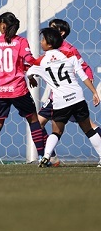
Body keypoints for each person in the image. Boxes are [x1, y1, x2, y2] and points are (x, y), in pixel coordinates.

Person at [0, 12, 47, 167]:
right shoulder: (21, 42)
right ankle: (42, 156)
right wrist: (39, 62)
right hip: (17, 89)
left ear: (2, 25)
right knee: (33, 120)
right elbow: (28, 60)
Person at [25, 27, 101, 167]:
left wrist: (32, 79)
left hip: (60, 101)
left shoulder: (41, 62)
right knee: (88, 129)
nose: (41, 42)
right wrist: (94, 92)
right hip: (77, 98)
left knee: (56, 131)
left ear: (49, 43)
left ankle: (47, 155)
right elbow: (83, 76)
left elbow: (29, 71)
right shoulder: (69, 55)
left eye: (43, 39)